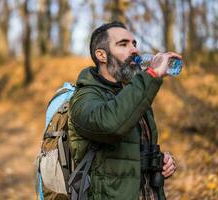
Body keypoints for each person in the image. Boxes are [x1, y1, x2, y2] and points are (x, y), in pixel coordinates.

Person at [67, 21, 178, 199]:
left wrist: (163, 160)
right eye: (123, 44)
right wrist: (152, 75)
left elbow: (132, 149)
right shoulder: (84, 97)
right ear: (101, 55)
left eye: (134, 44)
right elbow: (111, 125)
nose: (134, 50)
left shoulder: (132, 92)